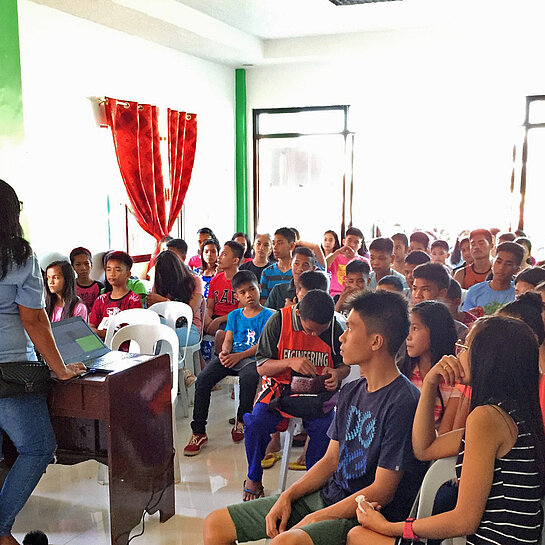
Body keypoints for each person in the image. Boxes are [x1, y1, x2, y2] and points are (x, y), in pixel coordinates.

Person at [203, 291, 427, 545]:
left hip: (362, 515)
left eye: (350, 328)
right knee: (216, 524)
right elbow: (331, 459)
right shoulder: (353, 390)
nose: (341, 336)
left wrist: (315, 517)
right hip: (329, 496)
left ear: (376, 342)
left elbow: (382, 492)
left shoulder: (403, 401)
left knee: (286, 542)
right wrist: (287, 495)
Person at [348, 316, 545, 545]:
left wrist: (388, 527)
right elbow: (424, 448)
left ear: (487, 359)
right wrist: (431, 382)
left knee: (358, 536)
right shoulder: (514, 413)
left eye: (465, 347)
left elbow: (464, 520)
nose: (458, 355)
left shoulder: (487, 418)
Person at [0, 180, 86, 545]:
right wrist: (61, 367)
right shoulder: (17, 255)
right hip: (11, 370)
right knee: (37, 447)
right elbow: (34, 320)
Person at [241, 289, 349, 501]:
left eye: (321, 331)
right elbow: (261, 366)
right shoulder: (279, 321)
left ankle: (313, 482)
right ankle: (253, 477)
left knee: (326, 428)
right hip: (280, 390)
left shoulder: (336, 328)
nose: (314, 336)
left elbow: (344, 366)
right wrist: (290, 362)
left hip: (317, 395)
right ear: (299, 314)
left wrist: (336, 374)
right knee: (255, 423)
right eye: (309, 331)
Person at [184, 271, 274, 455]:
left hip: (252, 358)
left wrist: (238, 357)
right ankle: (198, 431)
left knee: (249, 378)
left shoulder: (268, 316)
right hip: (232, 356)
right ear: (236, 296)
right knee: (203, 380)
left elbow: (260, 346)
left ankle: (241, 420)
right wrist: (225, 352)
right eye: (242, 292)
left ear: (259, 288)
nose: (249, 295)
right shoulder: (234, 315)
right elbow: (228, 338)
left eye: (252, 289)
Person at [398, 301, 460, 433]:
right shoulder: (401, 370)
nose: (408, 337)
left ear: (436, 331)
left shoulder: (454, 378)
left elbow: (445, 433)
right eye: (408, 328)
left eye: (415, 328)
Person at [145, 250, 203, 347]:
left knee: (164, 338)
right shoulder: (160, 282)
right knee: (149, 331)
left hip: (189, 327)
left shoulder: (195, 281)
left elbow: (189, 313)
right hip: (165, 324)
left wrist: (164, 302)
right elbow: (154, 313)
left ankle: (173, 361)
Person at [88, 251, 142, 339]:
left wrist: (100, 333)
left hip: (123, 348)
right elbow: (92, 326)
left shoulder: (133, 300)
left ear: (128, 274)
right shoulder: (101, 300)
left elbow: (131, 332)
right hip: (102, 345)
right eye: (108, 269)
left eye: (117, 270)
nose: (112, 274)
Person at [463, 241, 523, 316]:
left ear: (517, 270)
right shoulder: (474, 291)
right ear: (492, 263)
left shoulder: (518, 294)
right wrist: (470, 317)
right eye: (498, 262)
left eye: (508, 264)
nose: (501, 268)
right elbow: (465, 321)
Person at [204, 240, 243, 341]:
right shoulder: (215, 279)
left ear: (235, 261)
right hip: (216, 317)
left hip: (232, 319)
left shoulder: (243, 281)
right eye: (220, 254)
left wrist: (218, 320)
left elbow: (240, 312)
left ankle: (220, 356)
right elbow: (210, 307)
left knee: (220, 334)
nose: (219, 257)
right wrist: (208, 319)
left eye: (224, 254)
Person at [327, 227, 368, 298]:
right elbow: (323, 266)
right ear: (343, 241)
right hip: (335, 295)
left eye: (356, 242)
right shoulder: (334, 257)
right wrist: (338, 252)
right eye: (349, 240)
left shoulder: (364, 261)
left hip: (356, 296)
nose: (352, 244)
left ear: (360, 245)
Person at [260, 228, 296, 304]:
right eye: (273, 243)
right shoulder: (267, 272)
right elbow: (263, 301)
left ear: (292, 246)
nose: (275, 247)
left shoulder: (297, 271)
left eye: (279, 243)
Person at [69, 247, 103, 313]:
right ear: (72, 267)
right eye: (78, 264)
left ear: (91, 265)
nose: (83, 268)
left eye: (86, 263)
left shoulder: (99, 287)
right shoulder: (70, 287)